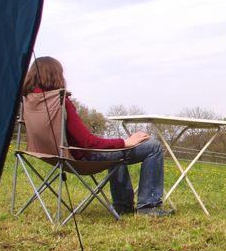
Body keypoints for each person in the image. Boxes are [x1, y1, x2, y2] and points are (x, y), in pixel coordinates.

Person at [21, 56, 171, 216]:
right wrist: (125, 142)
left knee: (114, 150)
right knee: (152, 146)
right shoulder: (60, 101)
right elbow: (88, 142)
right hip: (78, 157)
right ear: (55, 75)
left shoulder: (28, 101)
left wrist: (117, 144)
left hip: (51, 155)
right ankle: (149, 206)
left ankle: (123, 206)